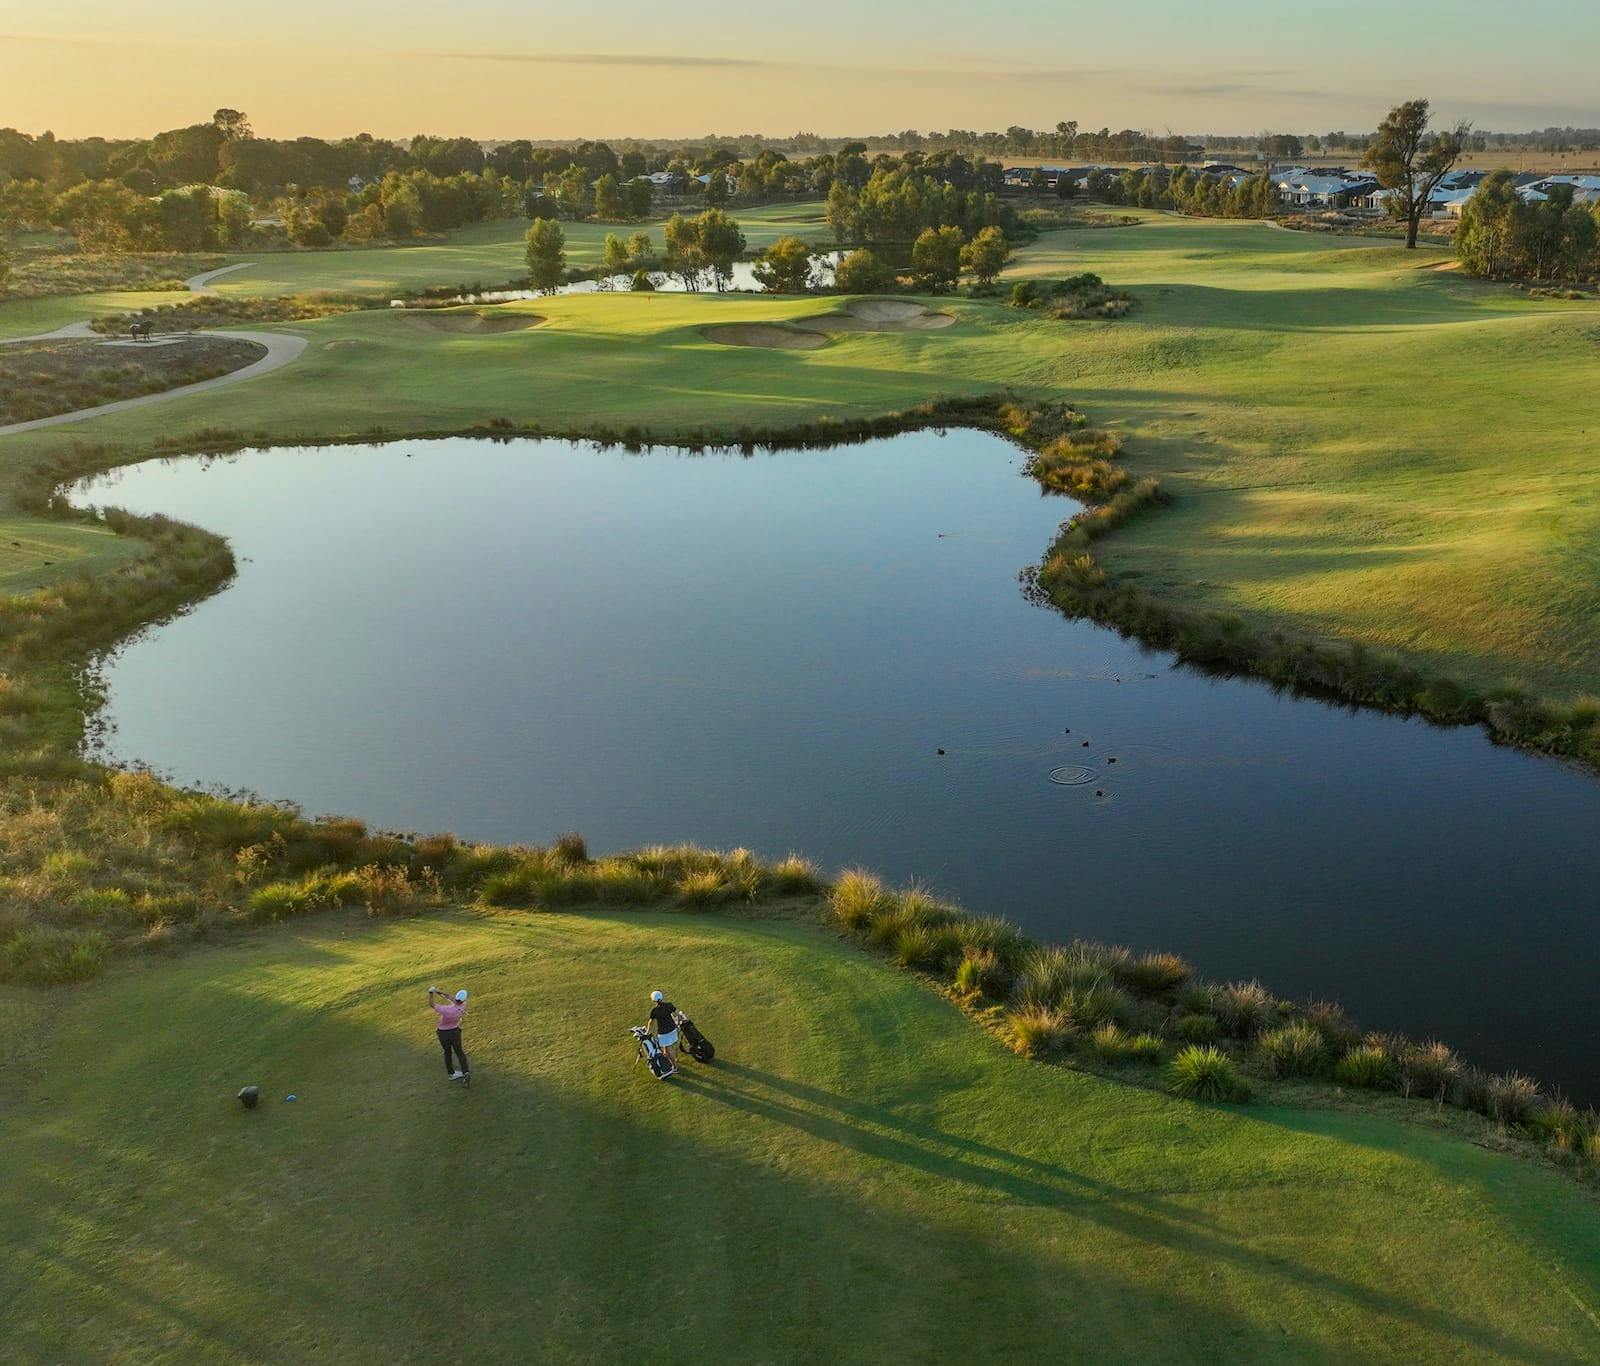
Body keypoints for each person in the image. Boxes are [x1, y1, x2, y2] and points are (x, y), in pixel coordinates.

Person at [427, 985, 470, 1082]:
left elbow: (432, 1004)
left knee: (447, 1053)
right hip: (455, 1032)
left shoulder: (447, 1010)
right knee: (460, 1053)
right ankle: (466, 1072)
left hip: (443, 1033)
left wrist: (431, 994)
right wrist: (438, 991)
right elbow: (449, 996)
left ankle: (451, 1074)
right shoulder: (463, 1004)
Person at [647, 990, 679, 1072]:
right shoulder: (669, 1005)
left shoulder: (655, 1011)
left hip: (664, 1032)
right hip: (673, 1029)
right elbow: (677, 1014)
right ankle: (667, 1056)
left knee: (669, 1048)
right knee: (670, 1045)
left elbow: (651, 1023)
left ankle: (675, 1067)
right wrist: (677, 1023)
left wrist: (647, 1032)